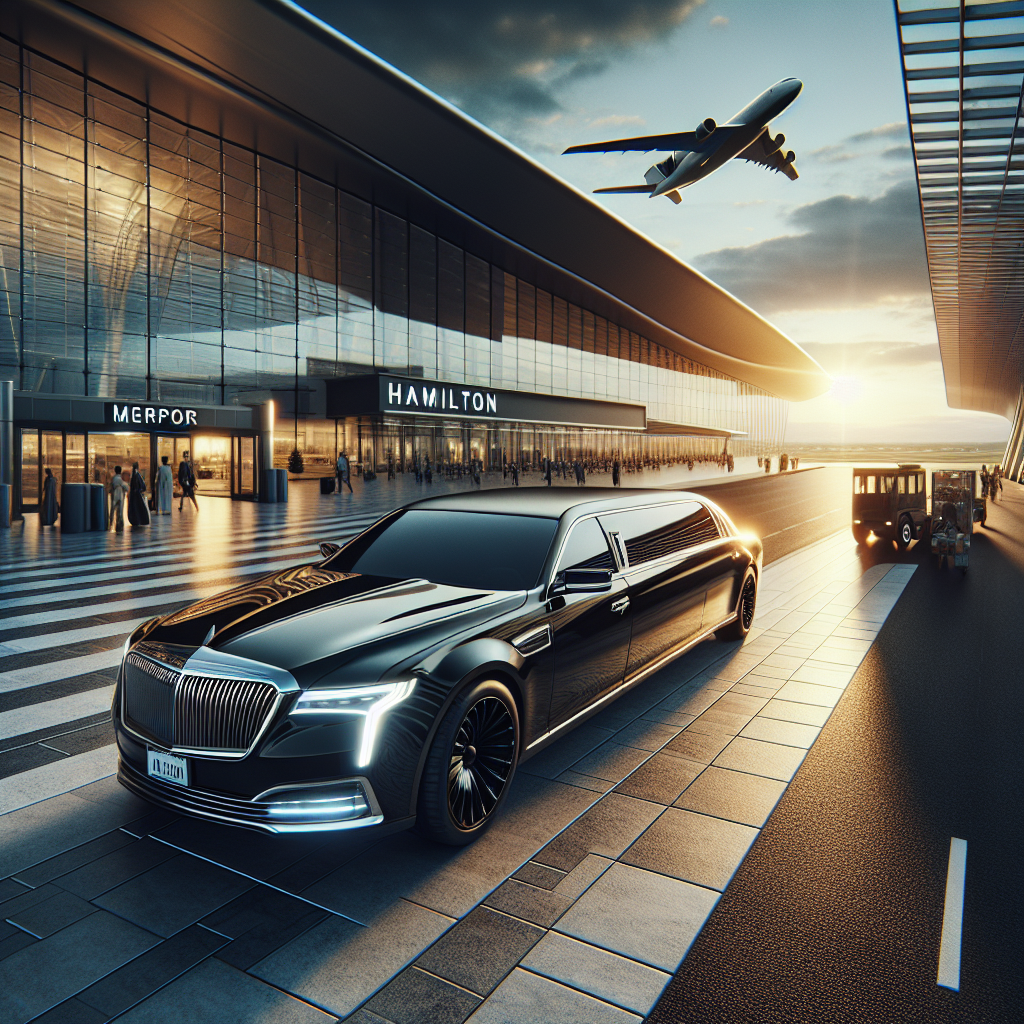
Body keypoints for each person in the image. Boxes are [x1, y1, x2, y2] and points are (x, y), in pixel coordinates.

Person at [127, 461, 150, 527]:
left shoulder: (134, 475)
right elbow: (142, 485)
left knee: (135, 508)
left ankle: (136, 520)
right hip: (137, 495)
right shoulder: (137, 475)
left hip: (134, 496)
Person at [110, 465, 128, 532]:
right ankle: (119, 524)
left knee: (113, 509)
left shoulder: (113, 479)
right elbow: (126, 488)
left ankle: (111, 523)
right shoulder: (121, 479)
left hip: (114, 495)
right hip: (120, 495)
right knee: (120, 510)